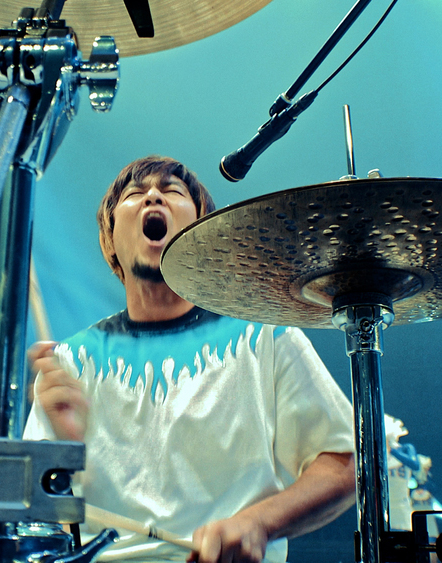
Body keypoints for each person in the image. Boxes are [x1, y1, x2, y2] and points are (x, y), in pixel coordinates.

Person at [23, 156, 356, 563]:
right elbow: (33, 512)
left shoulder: (264, 337)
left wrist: (258, 523)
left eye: (172, 191)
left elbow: (344, 462)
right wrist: (63, 455)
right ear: (110, 240)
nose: (153, 197)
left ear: (201, 229)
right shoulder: (71, 362)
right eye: (135, 194)